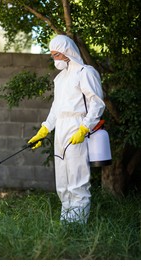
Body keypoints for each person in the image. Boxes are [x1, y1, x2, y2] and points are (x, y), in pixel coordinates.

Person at [28, 35, 105, 224]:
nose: (54, 58)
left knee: (77, 180)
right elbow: (57, 108)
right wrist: (45, 129)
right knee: (62, 181)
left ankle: (78, 225)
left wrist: (84, 128)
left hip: (77, 126)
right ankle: (66, 223)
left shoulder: (85, 72)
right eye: (52, 55)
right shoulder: (60, 79)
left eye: (57, 54)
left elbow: (97, 103)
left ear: (67, 52)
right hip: (61, 128)